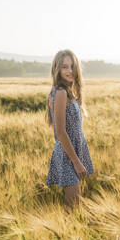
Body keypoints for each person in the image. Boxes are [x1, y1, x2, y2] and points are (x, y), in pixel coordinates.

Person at [45, 49, 94, 211]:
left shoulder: (68, 92)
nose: (69, 71)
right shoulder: (60, 93)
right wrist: (76, 162)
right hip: (68, 156)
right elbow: (60, 132)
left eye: (72, 66)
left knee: (75, 207)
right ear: (57, 69)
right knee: (74, 208)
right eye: (65, 67)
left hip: (73, 152)